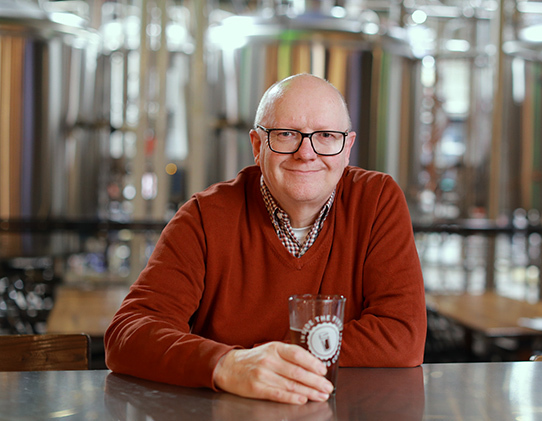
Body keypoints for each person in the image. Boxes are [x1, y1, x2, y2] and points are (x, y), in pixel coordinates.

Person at [104, 74, 427, 405]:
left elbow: (402, 336)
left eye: (327, 136)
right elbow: (128, 334)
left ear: (347, 148)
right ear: (258, 146)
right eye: (287, 134)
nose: (306, 153)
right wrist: (228, 365)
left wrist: (266, 358)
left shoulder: (376, 201)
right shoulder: (204, 217)